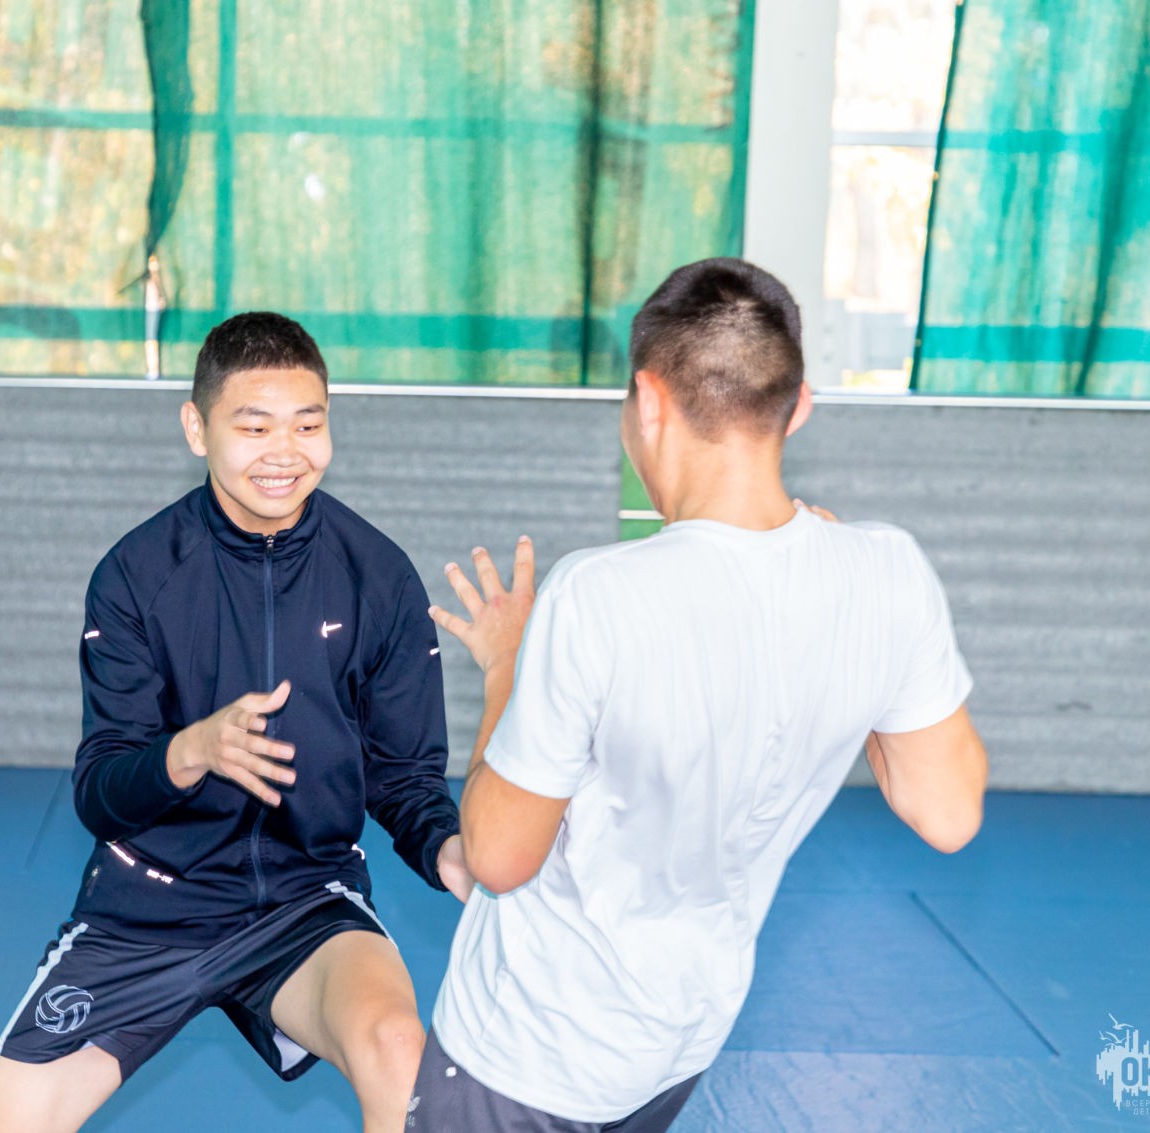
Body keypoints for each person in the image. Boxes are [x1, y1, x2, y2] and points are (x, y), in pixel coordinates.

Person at [414, 258, 988, 1130]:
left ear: (649, 402)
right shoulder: (889, 572)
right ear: (798, 405)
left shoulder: (597, 592)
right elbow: (947, 811)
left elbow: (496, 855)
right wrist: (863, 622)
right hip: (680, 1042)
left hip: (527, 1048)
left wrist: (507, 665)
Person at [0, 312, 471, 1133]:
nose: (285, 451)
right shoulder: (136, 576)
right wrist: (191, 750)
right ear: (197, 429)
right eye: (255, 426)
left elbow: (404, 775)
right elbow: (100, 790)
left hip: (306, 900)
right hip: (149, 904)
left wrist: (447, 846)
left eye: (308, 424)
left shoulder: (377, 575)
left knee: (397, 1047)